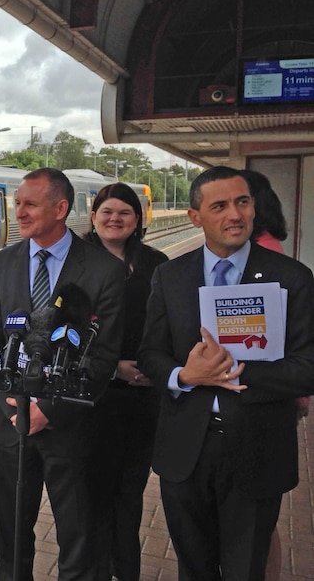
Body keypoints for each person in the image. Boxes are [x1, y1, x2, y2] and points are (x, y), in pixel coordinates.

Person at [138, 166, 314, 580]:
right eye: (219, 206)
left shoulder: (292, 278)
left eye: (243, 202)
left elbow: (308, 367)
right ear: (195, 217)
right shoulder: (169, 277)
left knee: (245, 570)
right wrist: (184, 375)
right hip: (185, 452)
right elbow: (150, 354)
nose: (235, 215)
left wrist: (235, 369)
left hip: (257, 449)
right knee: (193, 568)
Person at [0, 168, 126, 581]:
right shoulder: (2, 263)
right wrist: (13, 399)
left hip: (71, 426)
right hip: (9, 422)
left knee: (79, 535)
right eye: (17, 203)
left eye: (29, 204)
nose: (18, 212)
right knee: (11, 531)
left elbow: (104, 354)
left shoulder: (103, 271)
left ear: (60, 209)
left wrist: (47, 409)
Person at [82, 183, 168, 581]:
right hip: (91, 396)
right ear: (93, 217)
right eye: (107, 212)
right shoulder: (76, 263)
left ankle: (126, 571)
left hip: (144, 398)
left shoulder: (157, 264)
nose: (115, 219)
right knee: (94, 494)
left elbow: (169, 323)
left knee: (131, 492)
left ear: (138, 220)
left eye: (125, 213)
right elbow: (62, 331)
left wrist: (158, 365)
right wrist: (114, 366)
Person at [240, 169, 310, 581]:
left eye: (241, 201)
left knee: (257, 525)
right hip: (274, 392)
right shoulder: (272, 247)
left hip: (262, 397)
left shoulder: (266, 257)